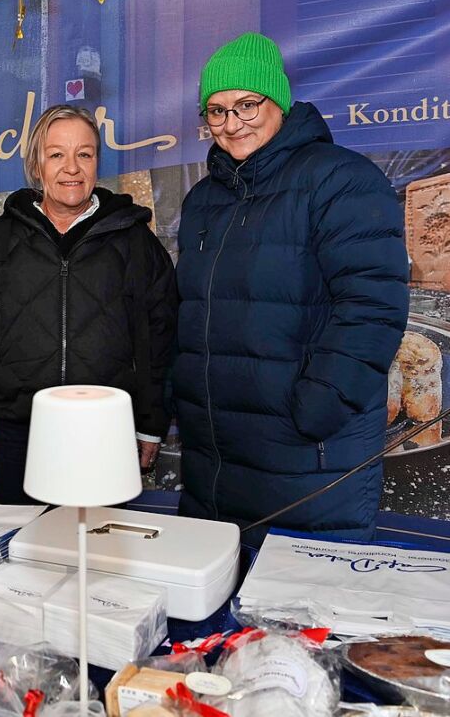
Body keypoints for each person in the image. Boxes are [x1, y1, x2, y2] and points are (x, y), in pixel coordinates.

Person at [174, 32, 409, 546]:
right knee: (215, 616)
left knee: (299, 620)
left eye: (247, 105)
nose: (232, 124)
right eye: (216, 111)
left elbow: (373, 308)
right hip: (216, 458)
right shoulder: (202, 201)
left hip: (307, 459)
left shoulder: (342, 180)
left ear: (277, 100)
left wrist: (317, 408)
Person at [0, 105, 178, 504]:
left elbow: (161, 341)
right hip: (21, 436)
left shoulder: (136, 244)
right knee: (20, 556)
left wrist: (150, 426)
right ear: (37, 165)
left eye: (84, 154)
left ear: (96, 163)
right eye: (57, 154)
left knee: (100, 558)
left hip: (107, 436)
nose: (71, 168)